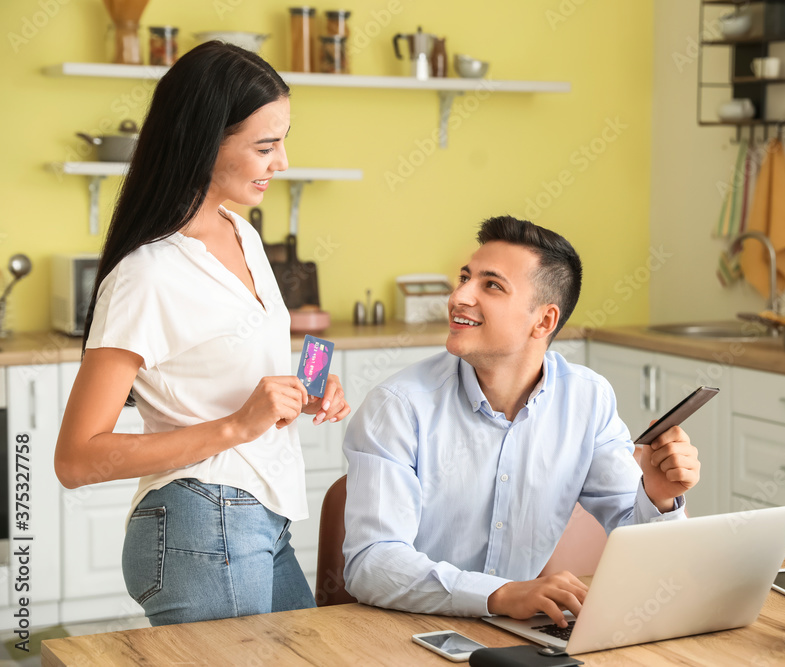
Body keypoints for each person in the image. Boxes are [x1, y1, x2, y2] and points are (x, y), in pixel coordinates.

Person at [54, 42, 350, 627]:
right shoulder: (148, 274)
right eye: (265, 146)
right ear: (202, 141)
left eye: (282, 141)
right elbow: (76, 458)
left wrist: (304, 393)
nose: (282, 162)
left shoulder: (244, 235)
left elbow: (230, 373)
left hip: (263, 515)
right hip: (200, 517)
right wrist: (236, 425)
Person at [342, 216, 700, 626]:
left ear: (544, 321)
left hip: (518, 633)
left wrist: (659, 497)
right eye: (464, 277)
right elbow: (371, 564)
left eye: (490, 285)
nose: (459, 296)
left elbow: (641, 546)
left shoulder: (587, 398)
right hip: (410, 630)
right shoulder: (399, 406)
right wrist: (500, 595)